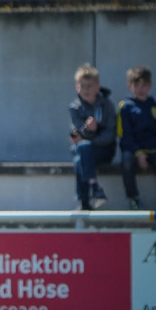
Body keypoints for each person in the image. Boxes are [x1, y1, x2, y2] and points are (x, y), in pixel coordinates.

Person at [68, 64, 116, 210]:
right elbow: (76, 135)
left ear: (97, 87)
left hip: (104, 150)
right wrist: (87, 130)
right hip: (83, 150)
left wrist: (88, 137)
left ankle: (84, 202)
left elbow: (110, 134)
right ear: (77, 87)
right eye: (82, 86)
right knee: (80, 155)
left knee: (81, 156)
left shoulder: (107, 105)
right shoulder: (74, 108)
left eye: (90, 86)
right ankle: (94, 190)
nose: (86, 90)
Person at [117, 65, 156, 211]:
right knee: (126, 163)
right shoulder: (125, 107)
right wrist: (138, 153)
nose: (140, 89)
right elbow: (124, 135)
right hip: (132, 149)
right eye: (136, 85)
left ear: (149, 86)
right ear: (129, 86)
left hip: (152, 149)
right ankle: (134, 199)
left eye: (144, 85)